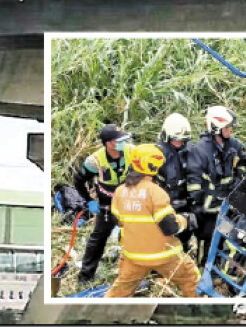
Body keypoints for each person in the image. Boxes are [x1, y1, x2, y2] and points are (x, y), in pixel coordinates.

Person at [105, 144, 200, 297]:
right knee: (191, 279)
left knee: (119, 292)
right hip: (164, 255)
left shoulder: (120, 191)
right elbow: (170, 227)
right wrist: (186, 220)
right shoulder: (155, 192)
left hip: (133, 257)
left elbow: (118, 221)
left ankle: (103, 315)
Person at [186, 105, 246, 266]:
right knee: (207, 239)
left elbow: (244, 164)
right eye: (227, 127)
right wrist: (213, 203)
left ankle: (222, 270)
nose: (230, 131)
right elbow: (194, 188)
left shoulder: (233, 145)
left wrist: (239, 178)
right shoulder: (200, 151)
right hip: (208, 209)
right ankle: (203, 270)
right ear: (216, 128)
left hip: (229, 203)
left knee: (230, 238)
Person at [73, 124, 133, 284]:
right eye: (118, 140)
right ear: (109, 143)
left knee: (137, 235)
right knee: (98, 238)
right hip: (108, 205)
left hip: (130, 202)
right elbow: (79, 182)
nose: (122, 143)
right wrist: (89, 201)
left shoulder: (131, 152)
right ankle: (85, 277)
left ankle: (138, 272)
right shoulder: (95, 161)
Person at [154, 113, 195, 250]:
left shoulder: (190, 150)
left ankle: (184, 249)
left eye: (182, 140)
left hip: (185, 202)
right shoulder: (156, 155)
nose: (179, 143)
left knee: (185, 234)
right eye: (175, 140)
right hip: (164, 204)